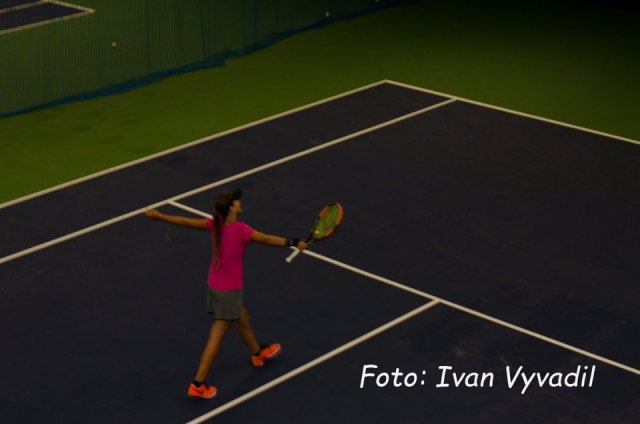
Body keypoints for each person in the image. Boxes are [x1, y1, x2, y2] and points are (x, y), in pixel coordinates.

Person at [144, 189, 308, 399]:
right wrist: (292, 242)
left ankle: (257, 353)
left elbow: (185, 221)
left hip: (215, 286)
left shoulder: (215, 224)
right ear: (231, 207)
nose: (240, 202)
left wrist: (159, 216)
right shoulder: (240, 229)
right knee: (218, 334)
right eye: (236, 201)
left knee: (242, 316)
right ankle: (198, 384)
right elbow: (266, 239)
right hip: (229, 291)